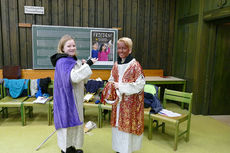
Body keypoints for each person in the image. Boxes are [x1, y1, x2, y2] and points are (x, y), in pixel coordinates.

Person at [50, 35, 97, 153]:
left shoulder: (71, 60)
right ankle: (66, 149)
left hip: (74, 97)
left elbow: (81, 78)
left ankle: (71, 147)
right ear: (62, 48)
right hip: (67, 99)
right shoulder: (62, 61)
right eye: (69, 46)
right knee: (67, 124)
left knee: (73, 124)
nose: (72, 48)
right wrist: (88, 64)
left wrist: (81, 66)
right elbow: (74, 77)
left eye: (74, 45)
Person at [102, 37, 145, 153]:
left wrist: (120, 86)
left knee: (126, 128)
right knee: (117, 127)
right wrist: (111, 85)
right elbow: (111, 78)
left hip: (130, 104)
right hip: (118, 104)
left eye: (124, 48)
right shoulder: (116, 64)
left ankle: (126, 150)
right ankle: (119, 149)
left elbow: (140, 85)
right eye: (119, 48)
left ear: (130, 50)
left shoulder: (135, 65)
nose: (121, 51)